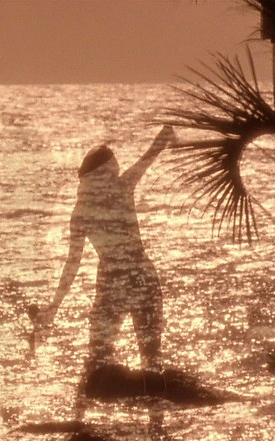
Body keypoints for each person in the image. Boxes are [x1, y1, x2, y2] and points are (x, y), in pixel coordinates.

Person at [40, 126, 177, 375]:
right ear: (108, 169)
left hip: (111, 282)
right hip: (141, 276)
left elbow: (72, 264)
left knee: (97, 359)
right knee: (151, 360)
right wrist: (168, 134)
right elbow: (151, 153)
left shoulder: (81, 211)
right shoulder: (123, 186)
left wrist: (55, 305)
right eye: (113, 167)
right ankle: (154, 397)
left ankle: (91, 397)